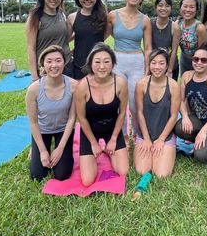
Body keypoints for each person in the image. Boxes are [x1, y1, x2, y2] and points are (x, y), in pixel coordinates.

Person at [75, 43, 129, 187]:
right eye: (97, 62)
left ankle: (109, 150)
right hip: (90, 132)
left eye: (106, 61)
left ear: (113, 63)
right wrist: (93, 143)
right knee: (87, 181)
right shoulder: (83, 86)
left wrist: (113, 139)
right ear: (91, 64)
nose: (102, 66)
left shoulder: (121, 83)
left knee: (123, 171)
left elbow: (122, 112)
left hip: (112, 130)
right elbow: (81, 117)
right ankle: (98, 150)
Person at [107, 0, 152, 138]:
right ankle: (123, 134)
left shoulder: (145, 19)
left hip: (137, 63)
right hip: (117, 61)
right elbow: (104, 35)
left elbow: (147, 48)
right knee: (118, 101)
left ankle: (137, 133)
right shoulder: (112, 15)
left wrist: (147, 71)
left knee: (135, 102)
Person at [26, 45, 77, 181]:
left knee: (62, 174)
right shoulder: (34, 89)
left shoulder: (73, 86)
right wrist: (42, 151)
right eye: (49, 61)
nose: (54, 65)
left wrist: (60, 148)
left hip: (63, 129)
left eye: (58, 60)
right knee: (37, 176)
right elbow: (33, 121)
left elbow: (72, 118)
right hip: (42, 130)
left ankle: (58, 149)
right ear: (43, 64)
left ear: (64, 62)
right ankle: (36, 148)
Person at [134, 48, 181, 178]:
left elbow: (173, 116)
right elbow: (140, 113)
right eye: (153, 63)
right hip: (145, 134)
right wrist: (147, 138)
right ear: (149, 64)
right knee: (142, 171)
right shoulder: (141, 84)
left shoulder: (173, 86)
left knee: (161, 174)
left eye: (161, 63)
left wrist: (160, 140)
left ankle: (167, 148)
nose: (157, 67)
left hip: (164, 135)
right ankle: (148, 146)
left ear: (167, 66)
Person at [26, 0, 71, 82]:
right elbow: (31, 48)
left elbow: (64, 39)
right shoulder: (35, 17)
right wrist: (34, 77)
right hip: (47, 68)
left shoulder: (62, 15)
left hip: (66, 65)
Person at [67, 0, 107, 80]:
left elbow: (104, 35)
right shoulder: (72, 17)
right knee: (79, 93)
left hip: (99, 64)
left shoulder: (104, 17)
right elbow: (65, 40)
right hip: (78, 63)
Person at [150, 0, 181, 81]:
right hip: (154, 66)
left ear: (171, 8)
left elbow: (174, 51)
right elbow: (148, 47)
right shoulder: (149, 23)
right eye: (160, 5)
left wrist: (170, 70)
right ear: (156, 7)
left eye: (167, 6)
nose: (163, 8)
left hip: (170, 66)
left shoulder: (175, 27)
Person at [176, 0, 207, 75]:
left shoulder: (199, 28)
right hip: (183, 60)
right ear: (180, 9)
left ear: (196, 10)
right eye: (185, 6)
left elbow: (203, 51)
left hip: (197, 62)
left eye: (192, 7)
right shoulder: (178, 24)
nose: (188, 9)